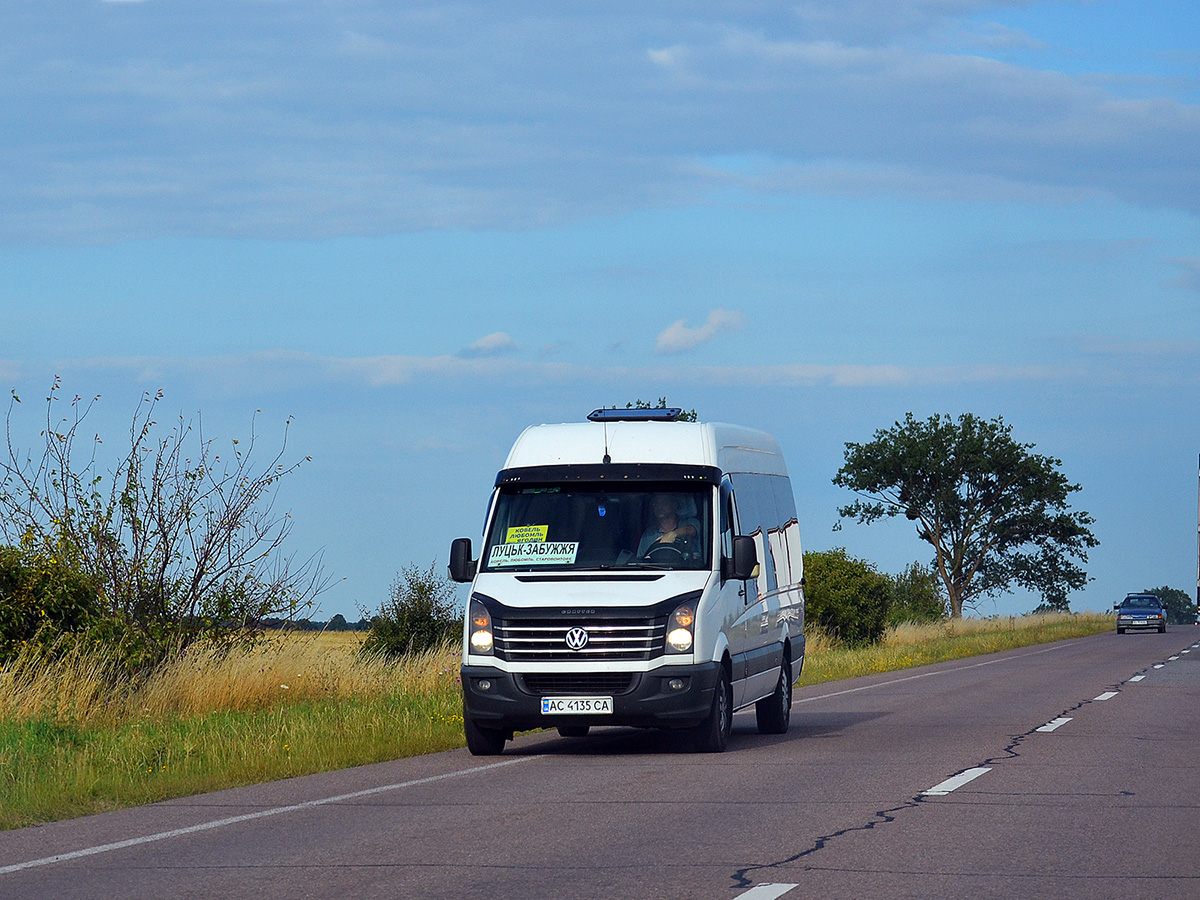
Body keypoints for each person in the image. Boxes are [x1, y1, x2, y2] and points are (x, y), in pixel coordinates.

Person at [638, 493, 700, 557]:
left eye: (664, 502)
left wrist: (674, 534)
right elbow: (640, 562)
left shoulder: (689, 522)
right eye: (656, 503)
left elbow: (690, 530)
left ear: (674, 505)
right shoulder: (648, 535)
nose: (659, 506)